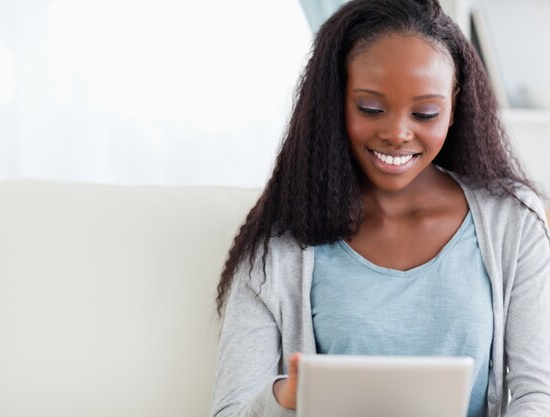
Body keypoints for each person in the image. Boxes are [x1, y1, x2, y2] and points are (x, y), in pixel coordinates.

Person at [210, 0, 550, 416]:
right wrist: (288, 398)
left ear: (455, 104)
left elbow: (538, 395)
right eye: (371, 108)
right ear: (335, 100)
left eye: (425, 112)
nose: (397, 133)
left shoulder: (512, 221)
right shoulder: (279, 245)